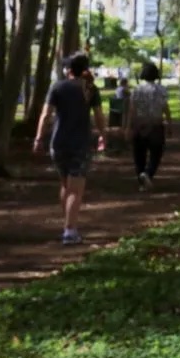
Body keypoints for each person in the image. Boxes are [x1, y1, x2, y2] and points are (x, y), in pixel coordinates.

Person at [34, 53, 107, 245]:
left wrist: (39, 138)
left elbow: (45, 115)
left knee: (65, 184)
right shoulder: (90, 89)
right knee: (75, 189)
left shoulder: (57, 86)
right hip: (80, 143)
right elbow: (99, 116)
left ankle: (67, 224)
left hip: (58, 143)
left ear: (68, 70)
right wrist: (103, 134)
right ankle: (70, 230)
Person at [126, 62, 170, 191]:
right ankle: (149, 173)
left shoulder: (136, 90)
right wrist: (169, 123)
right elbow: (165, 108)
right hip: (156, 125)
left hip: (140, 125)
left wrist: (128, 127)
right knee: (156, 152)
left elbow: (132, 110)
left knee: (139, 154)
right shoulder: (161, 90)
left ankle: (141, 179)